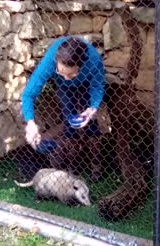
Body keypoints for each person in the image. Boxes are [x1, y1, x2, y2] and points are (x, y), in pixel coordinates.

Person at [21, 36, 105, 180]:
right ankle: (73, 168)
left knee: (90, 125)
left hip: (86, 84)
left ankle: (96, 166)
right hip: (64, 89)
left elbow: (97, 86)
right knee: (69, 124)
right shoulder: (50, 62)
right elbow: (28, 95)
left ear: (81, 65)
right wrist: (30, 122)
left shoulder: (93, 60)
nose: (66, 77)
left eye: (71, 73)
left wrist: (93, 108)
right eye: (61, 72)